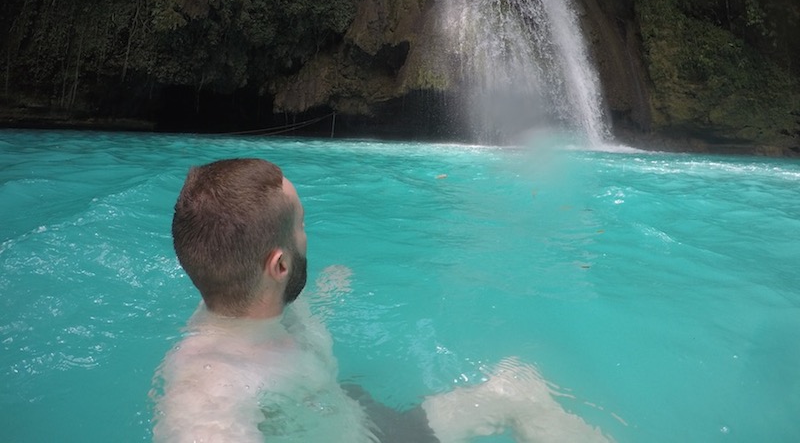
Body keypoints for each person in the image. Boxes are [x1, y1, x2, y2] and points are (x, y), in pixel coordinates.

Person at [152, 158, 612, 443]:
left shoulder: (256, 303)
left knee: (516, 391)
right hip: (350, 428)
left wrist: (329, 292)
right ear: (279, 265)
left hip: (356, 418)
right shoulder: (208, 385)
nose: (307, 238)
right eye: (302, 227)